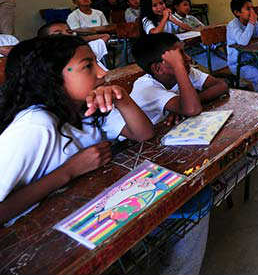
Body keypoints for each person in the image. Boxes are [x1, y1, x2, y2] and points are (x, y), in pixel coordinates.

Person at [0, 35, 153, 225]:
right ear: (51, 76)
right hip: (33, 236)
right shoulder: (36, 125)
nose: (103, 72)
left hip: (82, 214)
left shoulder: (85, 107)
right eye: (88, 66)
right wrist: (70, 170)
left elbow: (144, 135)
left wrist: (123, 100)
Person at [130, 33, 228, 125]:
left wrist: (182, 106)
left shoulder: (186, 71)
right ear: (158, 69)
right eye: (179, 57)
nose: (189, 58)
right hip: (135, 141)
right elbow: (193, 109)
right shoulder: (146, 88)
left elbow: (221, 85)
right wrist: (178, 66)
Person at [37, 20, 111, 71]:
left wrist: (79, 39)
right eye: (59, 34)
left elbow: (105, 36)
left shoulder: (86, 49)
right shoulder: (53, 64)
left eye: (69, 32)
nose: (66, 35)